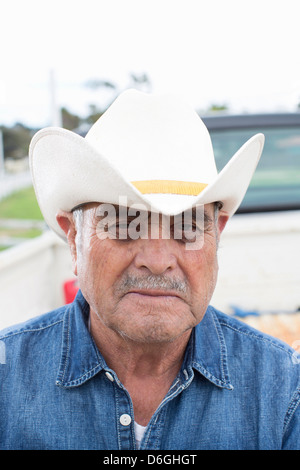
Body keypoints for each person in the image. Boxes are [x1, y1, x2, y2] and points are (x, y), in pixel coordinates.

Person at [0, 90, 299, 451]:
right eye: (125, 225)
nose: (157, 260)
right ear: (74, 237)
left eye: (187, 226)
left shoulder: (283, 390)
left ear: (216, 235)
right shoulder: (5, 382)